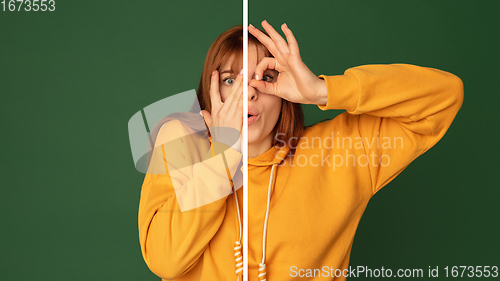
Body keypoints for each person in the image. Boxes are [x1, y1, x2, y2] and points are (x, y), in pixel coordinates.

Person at [138, 20, 464, 281]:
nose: (247, 94)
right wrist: (222, 154)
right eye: (229, 80)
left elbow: (443, 97)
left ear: (283, 93)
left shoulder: (337, 151)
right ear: (210, 90)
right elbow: (165, 261)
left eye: (265, 78)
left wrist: (322, 91)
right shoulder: (181, 142)